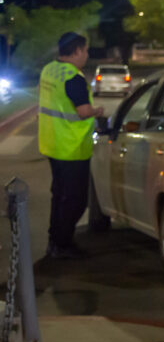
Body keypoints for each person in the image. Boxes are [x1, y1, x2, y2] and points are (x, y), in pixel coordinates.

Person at [38, 32, 105, 259]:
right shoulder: (73, 78)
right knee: (76, 201)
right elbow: (83, 111)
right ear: (76, 51)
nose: (86, 55)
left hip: (52, 145)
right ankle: (62, 244)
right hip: (71, 148)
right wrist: (98, 111)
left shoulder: (49, 70)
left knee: (59, 195)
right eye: (85, 50)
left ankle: (54, 241)